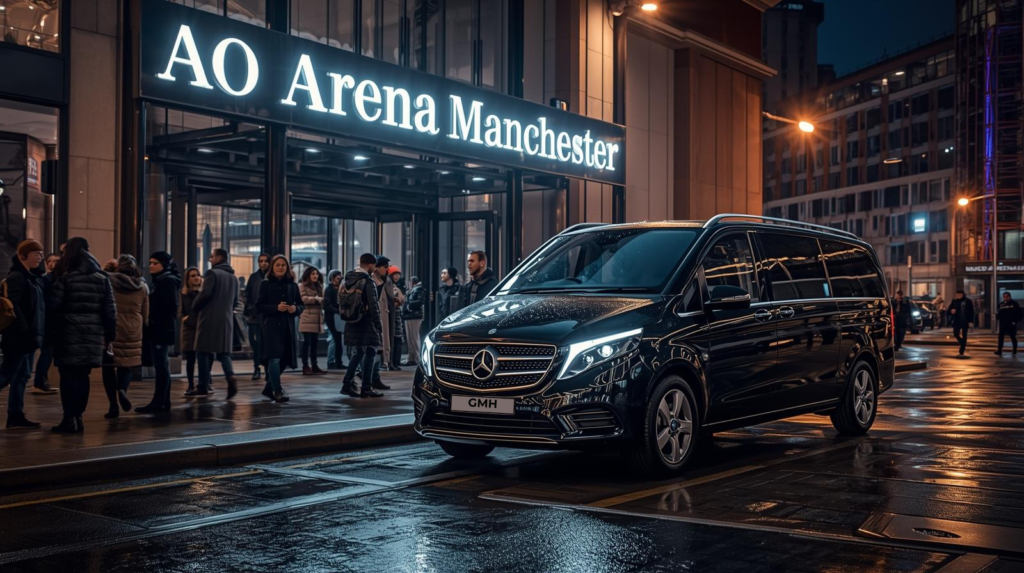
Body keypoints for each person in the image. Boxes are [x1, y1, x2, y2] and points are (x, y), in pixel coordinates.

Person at [48, 237, 116, 433]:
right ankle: (78, 417)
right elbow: (110, 311)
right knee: (83, 375)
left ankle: (69, 418)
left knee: (68, 376)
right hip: (93, 335)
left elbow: (53, 306)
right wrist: (109, 336)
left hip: (68, 334)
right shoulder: (102, 278)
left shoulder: (66, 278)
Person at [1, 240, 47, 429]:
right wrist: (25, 329)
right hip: (18, 337)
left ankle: (15, 415)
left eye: (41, 254)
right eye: (36, 253)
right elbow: (14, 306)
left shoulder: (32, 277)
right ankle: (15, 415)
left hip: (29, 337)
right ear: (23, 255)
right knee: (6, 375)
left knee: (22, 375)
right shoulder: (17, 277)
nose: (40, 257)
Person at [102, 255, 149, 419]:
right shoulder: (142, 286)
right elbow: (145, 314)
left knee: (108, 367)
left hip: (112, 329)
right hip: (133, 330)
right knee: (126, 366)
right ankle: (122, 389)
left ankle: (113, 406)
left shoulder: (108, 281)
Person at [191, 248, 239, 399]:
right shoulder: (233, 278)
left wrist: (194, 306)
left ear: (219, 257)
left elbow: (205, 294)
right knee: (224, 353)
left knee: (202, 351)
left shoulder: (212, 273)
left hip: (209, 318)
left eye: (212, 257)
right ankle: (230, 376)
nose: (210, 259)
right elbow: (236, 301)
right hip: (226, 319)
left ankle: (202, 386)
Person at [137, 251, 181, 413]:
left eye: (155, 263)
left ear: (164, 264)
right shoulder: (160, 280)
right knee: (162, 365)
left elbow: (170, 307)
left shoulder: (166, 281)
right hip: (160, 328)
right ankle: (163, 401)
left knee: (161, 366)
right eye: (150, 262)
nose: (151, 266)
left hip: (161, 329)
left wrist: (154, 320)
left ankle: (159, 402)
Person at [256, 255, 303, 403]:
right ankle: (277, 390)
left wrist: (295, 308)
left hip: (288, 326)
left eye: (283, 265)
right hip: (271, 327)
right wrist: (276, 308)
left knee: (285, 358)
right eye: (277, 265)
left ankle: (269, 387)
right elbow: (259, 306)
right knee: (274, 358)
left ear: (287, 267)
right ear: (273, 267)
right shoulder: (265, 284)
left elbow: (301, 305)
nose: (280, 267)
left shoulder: (293, 285)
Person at [340, 253, 384, 398]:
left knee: (359, 352)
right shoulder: (368, 281)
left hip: (352, 320)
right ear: (370, 265)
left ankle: (347, 383)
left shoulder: (348, 278)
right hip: (366, 322)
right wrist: (378, 324)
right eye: (374, 265)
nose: (375, 268)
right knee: (371, 351)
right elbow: (373, 305)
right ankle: (366, 387)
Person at [30, 252, 61, 394]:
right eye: (51, 261)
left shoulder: (47, 280)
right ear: (47, 264)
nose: (54, 264)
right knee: (47, 353)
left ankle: (42, 381)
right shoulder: (47, 280)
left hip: (49, 322)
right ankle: (40, 382)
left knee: (48, 353)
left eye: (57, 261)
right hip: (49, 322)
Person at [372, 256, 401, 382]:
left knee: (384, 344)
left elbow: (399, 297)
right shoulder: (373, 280)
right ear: (377, 267)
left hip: (387, 314)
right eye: (385, 267)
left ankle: (376, 376)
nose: (387, 270)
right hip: (377, 317)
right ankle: (371, 377)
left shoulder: (386, 281)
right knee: (377, 346)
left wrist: (396, 300)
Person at [244, 253, 270, 380]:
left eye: (266, 261)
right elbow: (247, 294)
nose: (263, 263)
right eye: (261, 261)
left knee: (266, 344)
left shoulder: (271, 277)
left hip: (267, 316)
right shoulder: (253, 277)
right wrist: (250, 308)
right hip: (254, 316)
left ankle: (266, 369)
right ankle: (256, 367)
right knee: (254, 343)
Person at [298, 266, 326, 375]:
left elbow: (322, 300)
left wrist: (322, 300)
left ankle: (314, 365)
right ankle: (305, 366)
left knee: (315, 343)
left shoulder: (319, 286)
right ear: (308, 275)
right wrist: (315, 299)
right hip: (307, 317)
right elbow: (303, 299)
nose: (315, 276)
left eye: (316, 274)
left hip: (317, 318)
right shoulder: (302, 286)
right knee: (307, 342)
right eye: (313, 274)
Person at [179, 267, 202, 394]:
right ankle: (190, 385)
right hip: (188, 328)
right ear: (187, 279)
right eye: (193, 276)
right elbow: (180, 311)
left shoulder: (204, 292)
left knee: (204, 358)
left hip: (202, 327)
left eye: (198, 275)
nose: (196, 277)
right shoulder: (183, 293)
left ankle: (205, 383)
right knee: (190, 359)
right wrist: (185, 318)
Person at [401, 276, 426, 366]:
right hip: (410, 316)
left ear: (412, 282)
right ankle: (411, 357)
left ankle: (416, 358)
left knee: (414, 337)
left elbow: (419, 301)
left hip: (414, 315)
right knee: (411, 338)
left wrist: (408, 305)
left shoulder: (418, 289)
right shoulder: (415, 290)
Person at [323, 270, 345, 370]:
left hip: (337, 317)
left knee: (337, 340)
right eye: (337, 278)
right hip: (332, 317)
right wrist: (338, 311)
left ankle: (336, 361)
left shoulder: (339, 289)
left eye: (340, 278)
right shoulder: (329, 290)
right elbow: (327, 306)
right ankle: (334, 362)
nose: (339, 280)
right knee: (336, 340)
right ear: (332, 279)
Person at [947, 290, 975, 357]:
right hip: (957, 321)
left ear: (963, 295)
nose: (959, 296)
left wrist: (971, 321)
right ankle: (962, 343)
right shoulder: (954, 301)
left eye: (960, 294)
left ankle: (962, 350)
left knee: (964, 335)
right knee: (956, 333)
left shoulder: (968, 301)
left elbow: (971, 312)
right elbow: (949, 310)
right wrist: (951, 311)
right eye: (957, 294)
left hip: (965, 321)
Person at [389, 266, 406, 369]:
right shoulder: (389, 285)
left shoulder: (396, 286)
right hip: (391, 315)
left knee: (397, 339)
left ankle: (396, 362)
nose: (397, 276)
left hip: (396, 315)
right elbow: (397, 300)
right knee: (394, 340)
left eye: (398, 274)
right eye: (394, 274)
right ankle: (393, 362)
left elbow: (401, 299)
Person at [996, 292, 1022, 356]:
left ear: (1009, 297)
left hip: (1011, 324)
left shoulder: (1014, 304)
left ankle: (1014, 351)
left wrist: (1015, 321)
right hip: (1003, 324)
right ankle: (999, 350)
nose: (1005, 298)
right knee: (1001, 337)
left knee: (1013, 337)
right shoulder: (1001, 304)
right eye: (1004, 297)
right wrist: (998, 317)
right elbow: (999, 313)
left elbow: (1019, 314)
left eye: (1007, 296)